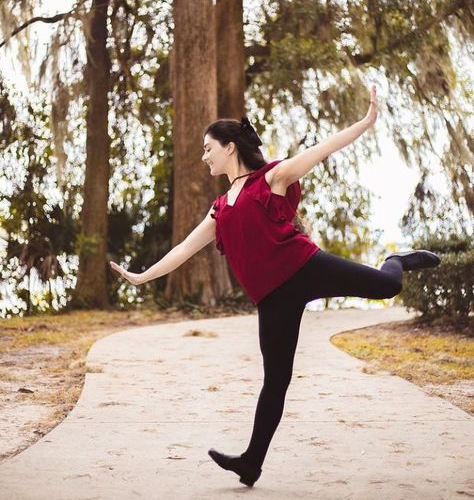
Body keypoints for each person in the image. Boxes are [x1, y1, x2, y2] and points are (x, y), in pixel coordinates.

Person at [110, 85, 441, 487]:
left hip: (306, 267)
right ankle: (251, 462)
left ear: (230, 147)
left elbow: (322, 148)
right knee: (276, 380)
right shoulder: (220, 207)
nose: (204, 155)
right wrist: (142, 276)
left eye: (208, 147)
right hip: (272, 299)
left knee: (388, 287)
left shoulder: (272, 179)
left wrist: (365, 122)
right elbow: (182, 249)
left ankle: (398, 260)